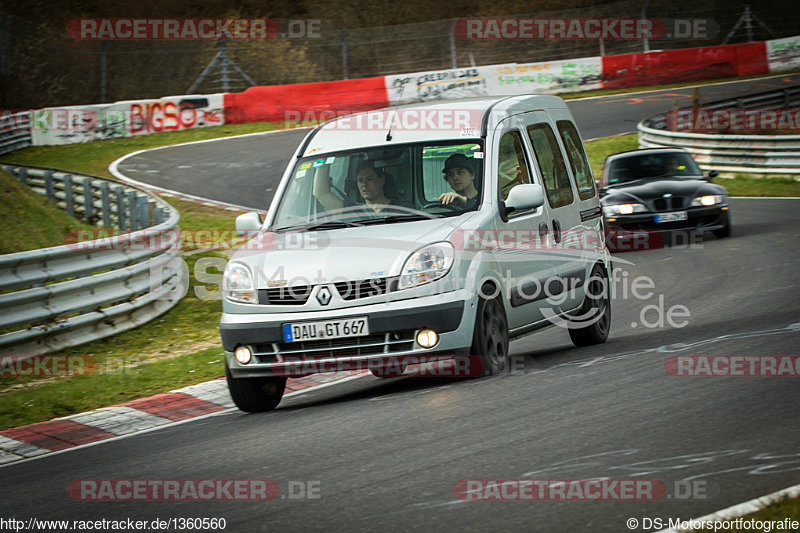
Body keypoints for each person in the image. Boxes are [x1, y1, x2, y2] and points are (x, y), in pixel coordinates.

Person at [313, 160, 394, 213]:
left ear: (382, 180)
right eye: (360, 180)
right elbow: (320, 193)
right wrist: (323, 158)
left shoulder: (403, 208)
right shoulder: (353, 211)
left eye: (369, 179)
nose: (364, 184)